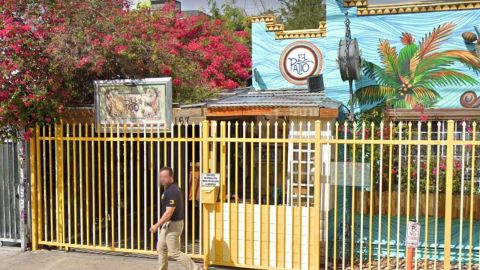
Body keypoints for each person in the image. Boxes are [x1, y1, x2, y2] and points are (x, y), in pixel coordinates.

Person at [149, 166, 200, 270]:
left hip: (174, 225)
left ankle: (196, 268)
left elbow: (169, 213)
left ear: (171, 177)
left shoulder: (172, 191)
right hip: (168, 225)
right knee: (161, 247)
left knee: (174, 252)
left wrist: (156, 225)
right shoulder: (170, 189)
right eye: (161, 177)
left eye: (165, 177)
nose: (162, 179)